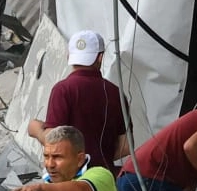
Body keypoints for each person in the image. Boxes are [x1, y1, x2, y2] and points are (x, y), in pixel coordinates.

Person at [29, 29, 130, 165]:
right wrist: (99, 157)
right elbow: (126, 146)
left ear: (68, 56)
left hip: (72, 175)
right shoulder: (116, 93)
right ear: (100, 57)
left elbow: (53, 140)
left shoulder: (63, 89)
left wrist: (36, 130)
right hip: (104, 174)